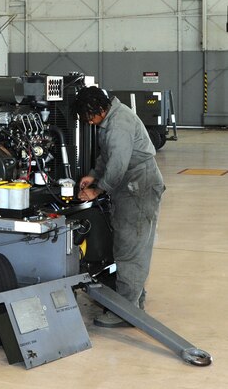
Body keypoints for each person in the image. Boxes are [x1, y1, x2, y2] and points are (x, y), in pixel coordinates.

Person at [75, 86, 165, 328]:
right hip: (131, 184)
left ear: (97, 109)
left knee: (130, 248)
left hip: (139, 186)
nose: (88, 122)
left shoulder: (118, 123)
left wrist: (96, 190)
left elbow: (117, 165)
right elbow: (107, 156)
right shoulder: (111, 118)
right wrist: (93, 175)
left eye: (87, 116)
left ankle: (126, 312)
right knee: (129, 246)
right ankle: (134, 302)